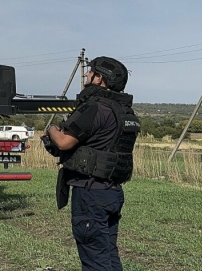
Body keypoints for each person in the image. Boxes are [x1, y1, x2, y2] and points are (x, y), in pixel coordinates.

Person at [41, 56, 140, 271]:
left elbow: (65, 142)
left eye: (90, 71)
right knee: (108, 253)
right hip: (112, 193)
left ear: (99, 78)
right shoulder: (124, 112)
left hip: (90, 194)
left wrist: (51, 130)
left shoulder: (95, 108)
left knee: (95, 259)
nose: (86, 75)